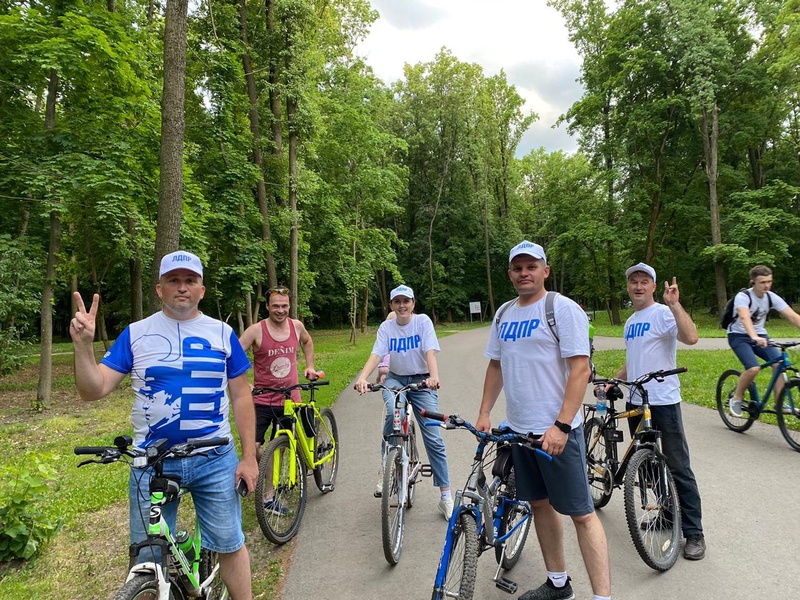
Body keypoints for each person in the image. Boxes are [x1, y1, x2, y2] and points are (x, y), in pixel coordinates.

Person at [70, 250, 257, 600]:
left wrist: (249, 457)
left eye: (190, 281)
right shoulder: (136, 333)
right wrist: (83, 347)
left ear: (202, 289)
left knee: (230, 544)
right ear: (159, 289)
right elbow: (93, 390)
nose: (182, 287)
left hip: (215, 458)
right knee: (147, 555)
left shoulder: (222, 333)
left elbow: (242, 397)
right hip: (150, 462)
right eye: (173, 280)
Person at [477, 240, 610, 600]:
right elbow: (496, 364)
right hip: (520, 431)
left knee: (582, 514)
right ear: (510, 274)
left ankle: (602, 597)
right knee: (539, 505)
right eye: (518, 268)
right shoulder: (504, 313)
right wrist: (486, 411)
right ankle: (558, 583)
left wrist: (563, 425)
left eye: (531, 266)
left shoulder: (562, 309)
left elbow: (580, 369)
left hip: (558, 433)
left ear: (545, 271)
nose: (524, 273)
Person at [616, 262, 706, 561]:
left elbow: (691, 337)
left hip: (663, 401)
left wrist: (675, 304)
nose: (638, 286)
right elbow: (633, 361)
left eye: (644, 281)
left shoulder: (664, 313)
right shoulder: (630, 322)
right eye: (633, 281)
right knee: (649, 466)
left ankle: (694, 533)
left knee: (678, 465)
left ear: (653, 286)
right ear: (628, 286)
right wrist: (613, 381)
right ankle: (666, 516)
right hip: (636, 402)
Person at [353, 285, 453, 520]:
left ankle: (445, 496)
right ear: (391, 305)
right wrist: (362, 377)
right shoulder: (386, 327)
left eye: (405, 301)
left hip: (422, 380)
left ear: (413, 303)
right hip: (396, 379)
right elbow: (377, 353)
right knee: (392, 413)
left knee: (433, 436)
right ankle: (387, 463)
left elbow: (429, 350)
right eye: (397, 302)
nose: (402, 306)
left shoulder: (422, 322)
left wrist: (433, 376)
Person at [238, 286, 317, 514]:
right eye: (275, 306)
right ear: (267, 307)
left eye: (284, 306)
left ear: (289, 306)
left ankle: (269, 496)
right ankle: (266, 475)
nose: (280, 310)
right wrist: (244, 383)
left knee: (283, 446)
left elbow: (307, 341)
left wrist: (309, 365)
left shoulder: (296, 326)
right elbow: (233, 355)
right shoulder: (256, 331)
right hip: (263, 400)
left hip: (290, 399)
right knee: (253, 448)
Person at [726, 265, 800, 417]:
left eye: (769, 281)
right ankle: (737, 398)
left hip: (761, 336)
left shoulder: (771, 297)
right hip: (739, 336)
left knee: (778, 363)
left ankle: (779, 402)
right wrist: (753, 336)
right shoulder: (744, 297)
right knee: (753, 368)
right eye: (762, 282)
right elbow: (744, 317)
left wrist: (758, 336)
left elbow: (792, 316)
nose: (766, 285)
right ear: (752, 282)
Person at [375, 311, 396, 384]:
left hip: (382, 366)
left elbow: (379, 352)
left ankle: (378, 379)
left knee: (388, 384)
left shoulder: (386, 332)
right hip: (390, 368)